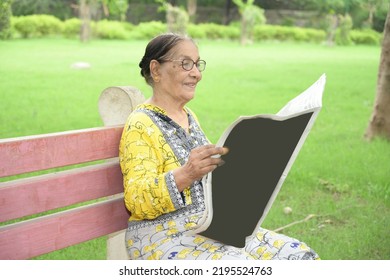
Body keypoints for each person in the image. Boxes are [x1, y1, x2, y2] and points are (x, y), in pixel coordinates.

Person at [119, 33, 320, 260]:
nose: (196, 73)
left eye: (197, 64)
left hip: (209, 228)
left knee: (301, 256)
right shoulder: (140, 123)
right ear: (156, 70)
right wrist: (186, 173)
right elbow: (136, 200)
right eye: (185, 64)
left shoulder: (188, 115)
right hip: (162, 236)